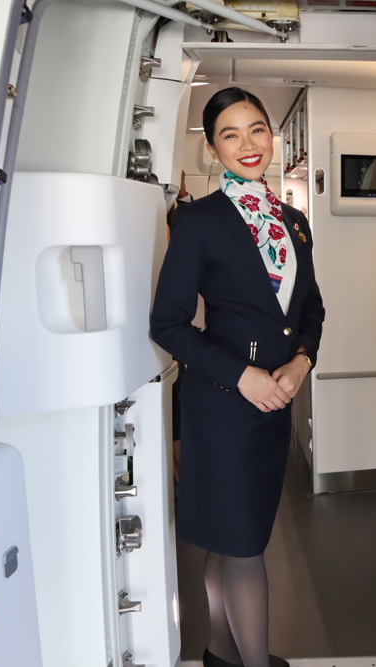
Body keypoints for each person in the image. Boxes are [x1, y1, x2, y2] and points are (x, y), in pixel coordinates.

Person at [150, 87, 325, 667]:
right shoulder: (199, 221)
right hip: (224, 409)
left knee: (232, 538)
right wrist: (243, 376)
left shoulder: (295, 222)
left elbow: (311, 309)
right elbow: (168, 323)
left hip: (275, 405)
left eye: (256, 129)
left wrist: (300, 362)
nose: (248, 144)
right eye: (230, 134)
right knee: (246, 546)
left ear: (272, 137)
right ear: (213, 149)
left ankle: (219, 652)